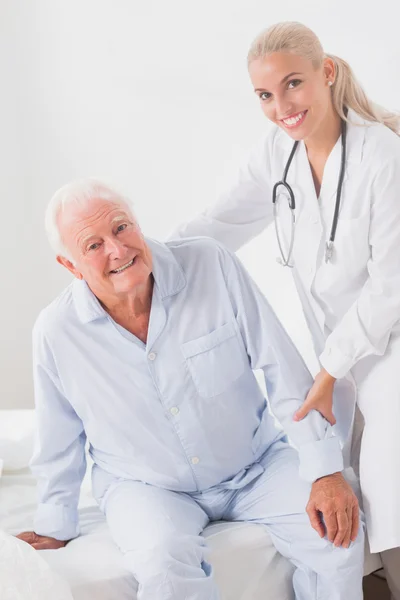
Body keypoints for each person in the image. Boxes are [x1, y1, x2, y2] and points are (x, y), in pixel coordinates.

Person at [17, 179, 364, 599]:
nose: (117, 249)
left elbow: (283, 369)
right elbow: (59, 438)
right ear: (70, 265)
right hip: (145, 486)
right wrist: (55, 526)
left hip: (254, 465)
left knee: (337, 538)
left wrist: (324, 471)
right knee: (164, 564)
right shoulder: (56, 332)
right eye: (93, 245)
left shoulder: (210, 263)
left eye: (121, 227)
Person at [171, 20, 400, 597]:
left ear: (325, 73)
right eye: (266, 96)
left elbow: (391, 286)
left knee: (389, 479)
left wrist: (326, 371)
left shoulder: (382, 155)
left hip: (387, 343)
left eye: (293, 85)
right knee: (350, 490)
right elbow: (218, 225)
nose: (281, 107)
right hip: (344, 361)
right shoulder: (280, 153)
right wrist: (145, 260)